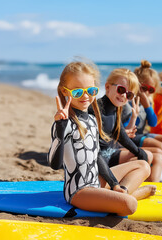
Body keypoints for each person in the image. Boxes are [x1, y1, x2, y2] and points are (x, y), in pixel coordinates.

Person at [47, 61, 155, 217]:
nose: (85, 96)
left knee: (144, 165)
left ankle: (120, 193)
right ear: (65, 92)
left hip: (97, 180)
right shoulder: (66, 123)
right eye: (78, 92)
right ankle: (131, 196)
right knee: (130, 205)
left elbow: (97, 157)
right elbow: (54, 164)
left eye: (90, 90)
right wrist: (60, 128)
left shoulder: (91, 120)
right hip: (80, 192)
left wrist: (115, 184)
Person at [97, 68, 162, 182]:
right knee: (146, 159)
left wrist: (138, 151)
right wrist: (113, 182)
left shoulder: (116, 108)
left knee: (149, 155)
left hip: (111, 154)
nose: (124, 95)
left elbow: (120, 133)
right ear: (107, 87)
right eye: (121, 89)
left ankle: (149, 186)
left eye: (129, 95)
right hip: (101, 164)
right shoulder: (96, 109)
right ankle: (127, 187)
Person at [122, 60, 162, 154]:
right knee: (161, 147)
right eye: (144, 88)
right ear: (135, 84)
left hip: (141, 135)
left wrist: (147, 106)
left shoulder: (147, 104)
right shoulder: (127, 103)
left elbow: (153, 123)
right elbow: (126, 127)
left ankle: (151, 153)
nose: (146, 93)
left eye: (151, 90)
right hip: (130, 138)